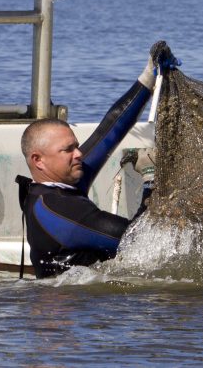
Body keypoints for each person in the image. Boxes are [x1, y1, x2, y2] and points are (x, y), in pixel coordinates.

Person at [16, 42, 177, 278]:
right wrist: (150, 182)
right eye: (67, 150)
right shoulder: (57, 209)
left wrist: (148, 77)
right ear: (38, 160)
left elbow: (109, 131)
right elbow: (143, 242)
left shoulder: (59, 185)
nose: (79, 153)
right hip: (75, 307)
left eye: (77, 146)